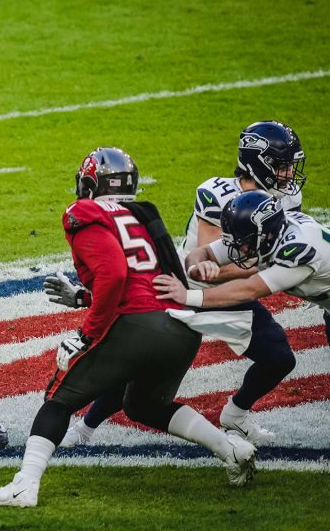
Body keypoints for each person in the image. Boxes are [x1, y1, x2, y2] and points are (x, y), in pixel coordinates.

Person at [0, 147, 257, 508]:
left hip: (136, 325)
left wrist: (87, 334)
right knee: (145, 405)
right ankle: (230, 449)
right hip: (182, 326)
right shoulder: (144, 213)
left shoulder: (84, 211)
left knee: (59, 397)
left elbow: (114, 274)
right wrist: (84, 297)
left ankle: (23, 485)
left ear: (90, 184)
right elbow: (149, 275)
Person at [53, 121, 307, 446]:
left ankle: (236, 414)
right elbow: (211, 266)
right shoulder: (217, 192)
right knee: (139, 362)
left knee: (280, 359)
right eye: (281, 165)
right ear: (259, 162)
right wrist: (271, 270)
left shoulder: (286, 196)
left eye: (288, 166)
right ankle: (85, 428)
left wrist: (273, 269)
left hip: (233, 294)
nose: (287, 174)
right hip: (186, 292)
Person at [154, 191, 329, 337]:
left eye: (243, 242)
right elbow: (204, 251)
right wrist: (195, 268)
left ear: (266, 235)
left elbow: (248, 289)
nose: (240, 249)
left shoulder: (298, 250)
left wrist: (187, 296)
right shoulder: (266, 231)